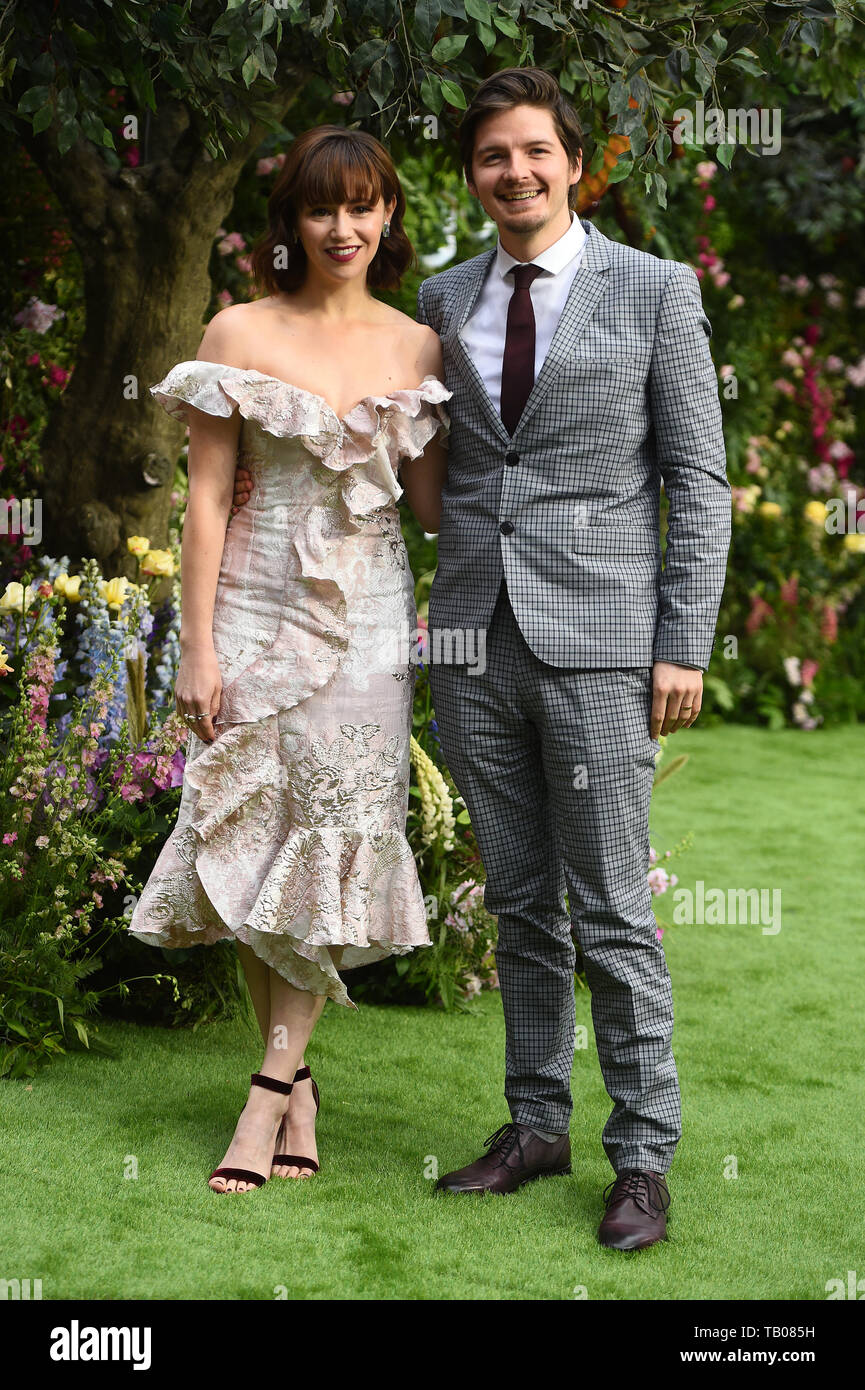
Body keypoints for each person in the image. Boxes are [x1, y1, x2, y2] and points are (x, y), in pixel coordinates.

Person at [232, 68, 732, 1250]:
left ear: (573, 162)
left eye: (534, 153)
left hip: (605, 646)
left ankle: (643, 1157)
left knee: (610, 904)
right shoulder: (445, 303)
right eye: (491, 157)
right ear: (472, 175)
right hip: (467, 639)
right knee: (514, 904)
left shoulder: (656, 292)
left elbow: (697, 483)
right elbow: (396, 442)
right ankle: (533, 1125)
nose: (514, 173)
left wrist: (683, 643)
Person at [129, 127, 452, 1193]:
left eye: (363, 207)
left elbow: (433, 507)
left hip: (365, 620)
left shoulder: (418, 347)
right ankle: (298, 1078)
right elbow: (209, 497)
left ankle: (265, 1091)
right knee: (255, 830)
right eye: (322, 209)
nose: (344, 227)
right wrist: (199, 644)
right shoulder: (237, 330)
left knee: (334, 830)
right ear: (292, 224)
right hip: (251, 605)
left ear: (390, 215)